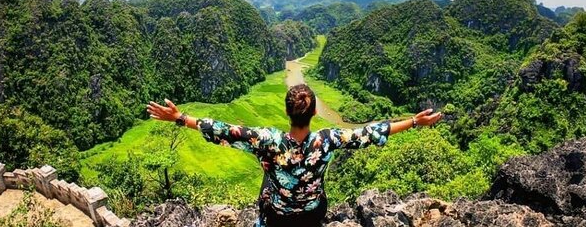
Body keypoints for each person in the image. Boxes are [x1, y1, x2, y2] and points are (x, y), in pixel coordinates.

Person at [147, 84, 442, 227]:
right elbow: (372, 132)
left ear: (287, 112)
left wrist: (180, 118)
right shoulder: (327, 140)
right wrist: (415, 121)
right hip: (313, 214)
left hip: (277, 216)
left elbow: (223, 130)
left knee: (267, 180)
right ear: (314, 112)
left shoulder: (268, 141)